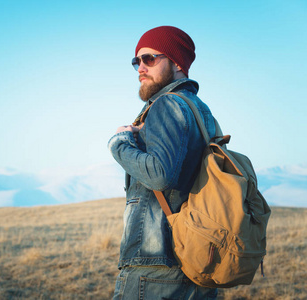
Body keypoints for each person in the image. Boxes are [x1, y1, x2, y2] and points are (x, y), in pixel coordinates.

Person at [108, 26, 218, 299]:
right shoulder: (202, 112)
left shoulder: (167, 105)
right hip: (198, 259)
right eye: (137, 61)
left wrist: (119, 143)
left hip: (156, 267)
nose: (140, 68)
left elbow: (159, 175)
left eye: (150, 58)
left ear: (177, 61)